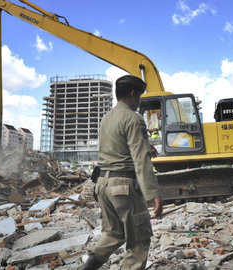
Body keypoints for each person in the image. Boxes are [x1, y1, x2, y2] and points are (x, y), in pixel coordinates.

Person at [82, 75, 163, 270]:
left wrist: (145, 145)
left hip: (102, 185)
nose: (140, 101)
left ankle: (86, 267)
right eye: (140, 96)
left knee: (113, 234)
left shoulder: (107, 118)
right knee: (139, 240)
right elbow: (141, 160)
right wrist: (153, 194)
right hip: (123, 187)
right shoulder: (134, 118)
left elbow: (117, 147)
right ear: (133, 94)